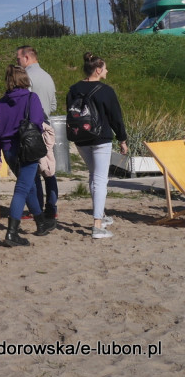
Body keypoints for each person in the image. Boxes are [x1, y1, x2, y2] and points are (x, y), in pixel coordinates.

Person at [67, 52, 129, 240]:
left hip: (80, 138)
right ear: (98, 69)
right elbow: (115, 117)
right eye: (105, 68)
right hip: (100, 138)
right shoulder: (106, 90)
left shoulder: (73, 89)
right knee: (101, 179)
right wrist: (122, 139)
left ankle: (100, 215)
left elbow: (71, 113)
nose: (107, 71)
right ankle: (97, 225)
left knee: (94, 176)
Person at [0, 65, 56, 246]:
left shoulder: (2, 102)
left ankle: (41, 223)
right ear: (24, 79)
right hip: (26, 148)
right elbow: (37, 122)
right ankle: (12, 233)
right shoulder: (31, 97)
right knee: (22, 189)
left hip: (8, 151)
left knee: (28, 187)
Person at [17, 45, 59, 220]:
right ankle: (52, 207)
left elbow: (24, 104)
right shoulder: (48, 76)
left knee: (33, 169)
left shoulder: (27, 77)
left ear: (27, 58)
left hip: (32, 128)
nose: (17, 62)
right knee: (49, 168)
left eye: (18, 58)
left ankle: (37, 209)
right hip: (47, 125)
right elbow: (54, 105)